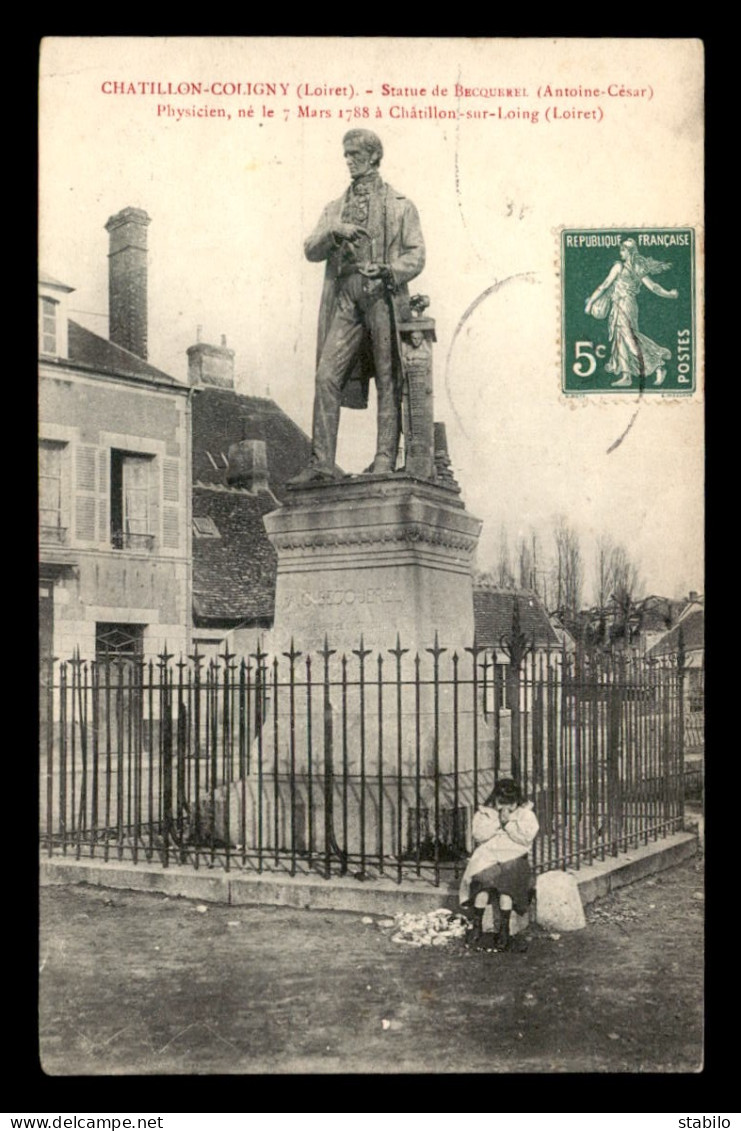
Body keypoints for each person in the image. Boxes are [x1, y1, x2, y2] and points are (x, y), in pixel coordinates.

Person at [289, 130, 426, 484]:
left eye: (355, 154)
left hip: (382, 292)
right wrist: (336, 232)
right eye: (346, 154)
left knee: (387, 377)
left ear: (374, 157)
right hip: (346, 295)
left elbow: (416, 254)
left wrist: (390, 270)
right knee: (326, 375)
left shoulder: (401, 205)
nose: (348, 160)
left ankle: (383, 458)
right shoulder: (334, 209)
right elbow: (310, 249)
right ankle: (321, 462)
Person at [585, 237, 678, 388]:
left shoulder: (619, 267)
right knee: (620, 338)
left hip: (624, 305)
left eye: (622, 249)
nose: (620, 252)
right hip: (624, 305)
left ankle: (658, 364)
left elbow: (604, 286)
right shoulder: (637, 268)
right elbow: (653, 286)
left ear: (628, 252)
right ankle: (626, 375)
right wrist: (669, 294)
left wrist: (590, 303)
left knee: (629, 339)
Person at [459, 778, 539, 951]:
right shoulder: (484, 814)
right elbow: (479, 835)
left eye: (510, 804)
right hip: (489, 857)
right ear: (494, 800)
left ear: (517, 802)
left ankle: (504, 930)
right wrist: (497, 822)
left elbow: (525, 839)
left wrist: (508, 824)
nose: (505, 808)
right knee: (483, 882)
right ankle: (477, 926)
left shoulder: (526, 815)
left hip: (514, 857)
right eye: (500, 803)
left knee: (507, 886)